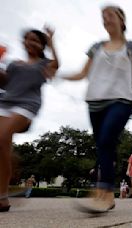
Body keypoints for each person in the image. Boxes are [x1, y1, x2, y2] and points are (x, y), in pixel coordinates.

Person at [64, 5, 132, 212]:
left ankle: (106, 193)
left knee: (106, 139)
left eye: (110, 15)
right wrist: (58, 74)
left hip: (122, 99)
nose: (106, 19)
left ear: (121, 20)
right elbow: (83, 73)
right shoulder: (96, 47)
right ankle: (104, 193)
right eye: (103, 16)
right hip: (95, 101)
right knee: (103, 146)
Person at [0, 27, 59, 212]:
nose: (30, 42)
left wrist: (52, 43)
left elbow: (57, 65)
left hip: (26, 105)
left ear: (42, 44)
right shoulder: (14, 64)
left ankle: (13, 170)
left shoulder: (43, 64)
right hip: (4, 102)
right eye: (27, 39)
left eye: (35, 40)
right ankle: (2, 198)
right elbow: (4, 82)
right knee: (3, 147)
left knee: (1, 138)